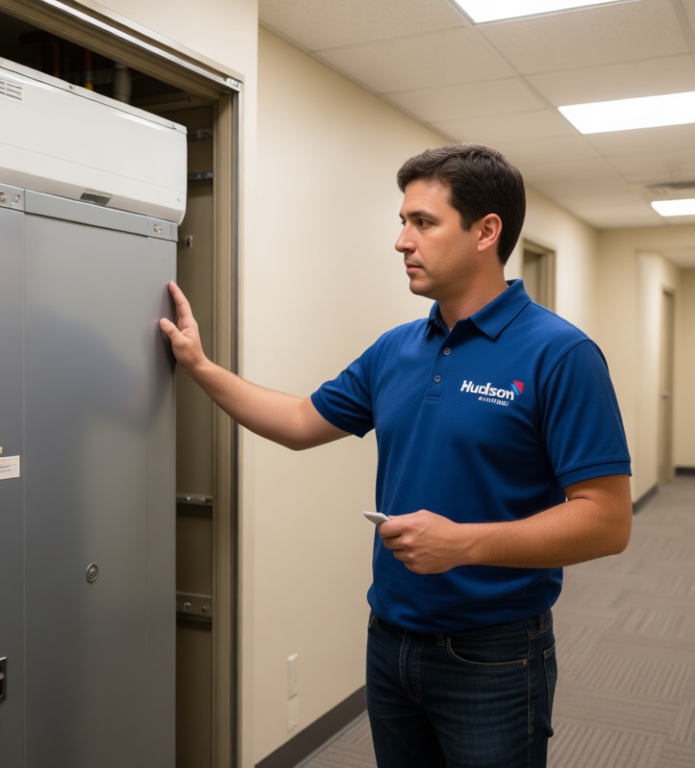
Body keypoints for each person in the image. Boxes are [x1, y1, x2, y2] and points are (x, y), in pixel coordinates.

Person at [158, 143, 631, 768]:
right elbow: (302, 422)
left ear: (486, 231)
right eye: (402, 221)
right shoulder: (396, 350)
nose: (402, 241)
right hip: (391, 641)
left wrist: (464, 544)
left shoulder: (560, 355)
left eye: (423, 223)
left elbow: (607, 519)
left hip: (493, 654)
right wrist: (199, 366)